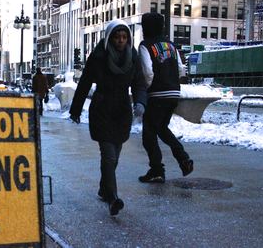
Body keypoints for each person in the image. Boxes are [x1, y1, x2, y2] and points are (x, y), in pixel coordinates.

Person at [69, 19, 147, 216]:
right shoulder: (99, 56)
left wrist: (140, 102)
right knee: (109, 155)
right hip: (102, 109)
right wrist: (76, 109)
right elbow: (85, 82)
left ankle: (104, 189)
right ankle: (113, 198)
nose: (121, 41)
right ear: (110, 38)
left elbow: (139, 83)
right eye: (117, 37)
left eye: (124, 37)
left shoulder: (133, 57)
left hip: (121, 110)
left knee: (115, 156)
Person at [135, 12, 193, 184]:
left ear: (146, 28)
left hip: (156, 94)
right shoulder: (171, 46)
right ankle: (183, 159)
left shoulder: (145, 45)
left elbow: (147, 72)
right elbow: (182, 70)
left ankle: (156, 170)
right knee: (162, 128)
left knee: (149, 134)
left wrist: (144, 90)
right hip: (174, 93)